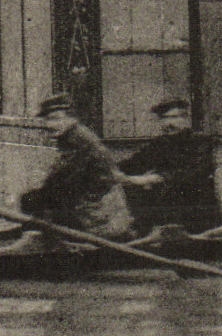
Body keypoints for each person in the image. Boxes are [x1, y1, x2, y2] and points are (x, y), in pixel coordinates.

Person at [20, 95, 161, 239]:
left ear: (72, 118)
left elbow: (61, 177)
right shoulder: (72, 136)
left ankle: (37, 241)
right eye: (47, 119)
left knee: (33, 199)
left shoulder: (77, 139)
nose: (50, 125)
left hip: (97, 211)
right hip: (94, 203)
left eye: (56, 118)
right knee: (37, 199)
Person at [119, 99, 222, 236]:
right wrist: (110, 171)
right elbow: (133, 164)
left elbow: (193, 173)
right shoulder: (159, 144)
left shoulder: (201, 142)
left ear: (186, 119)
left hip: (197, 212)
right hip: (167, 211)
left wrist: (153, 178)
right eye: (163, 118)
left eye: (174, 118)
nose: (168, 123)